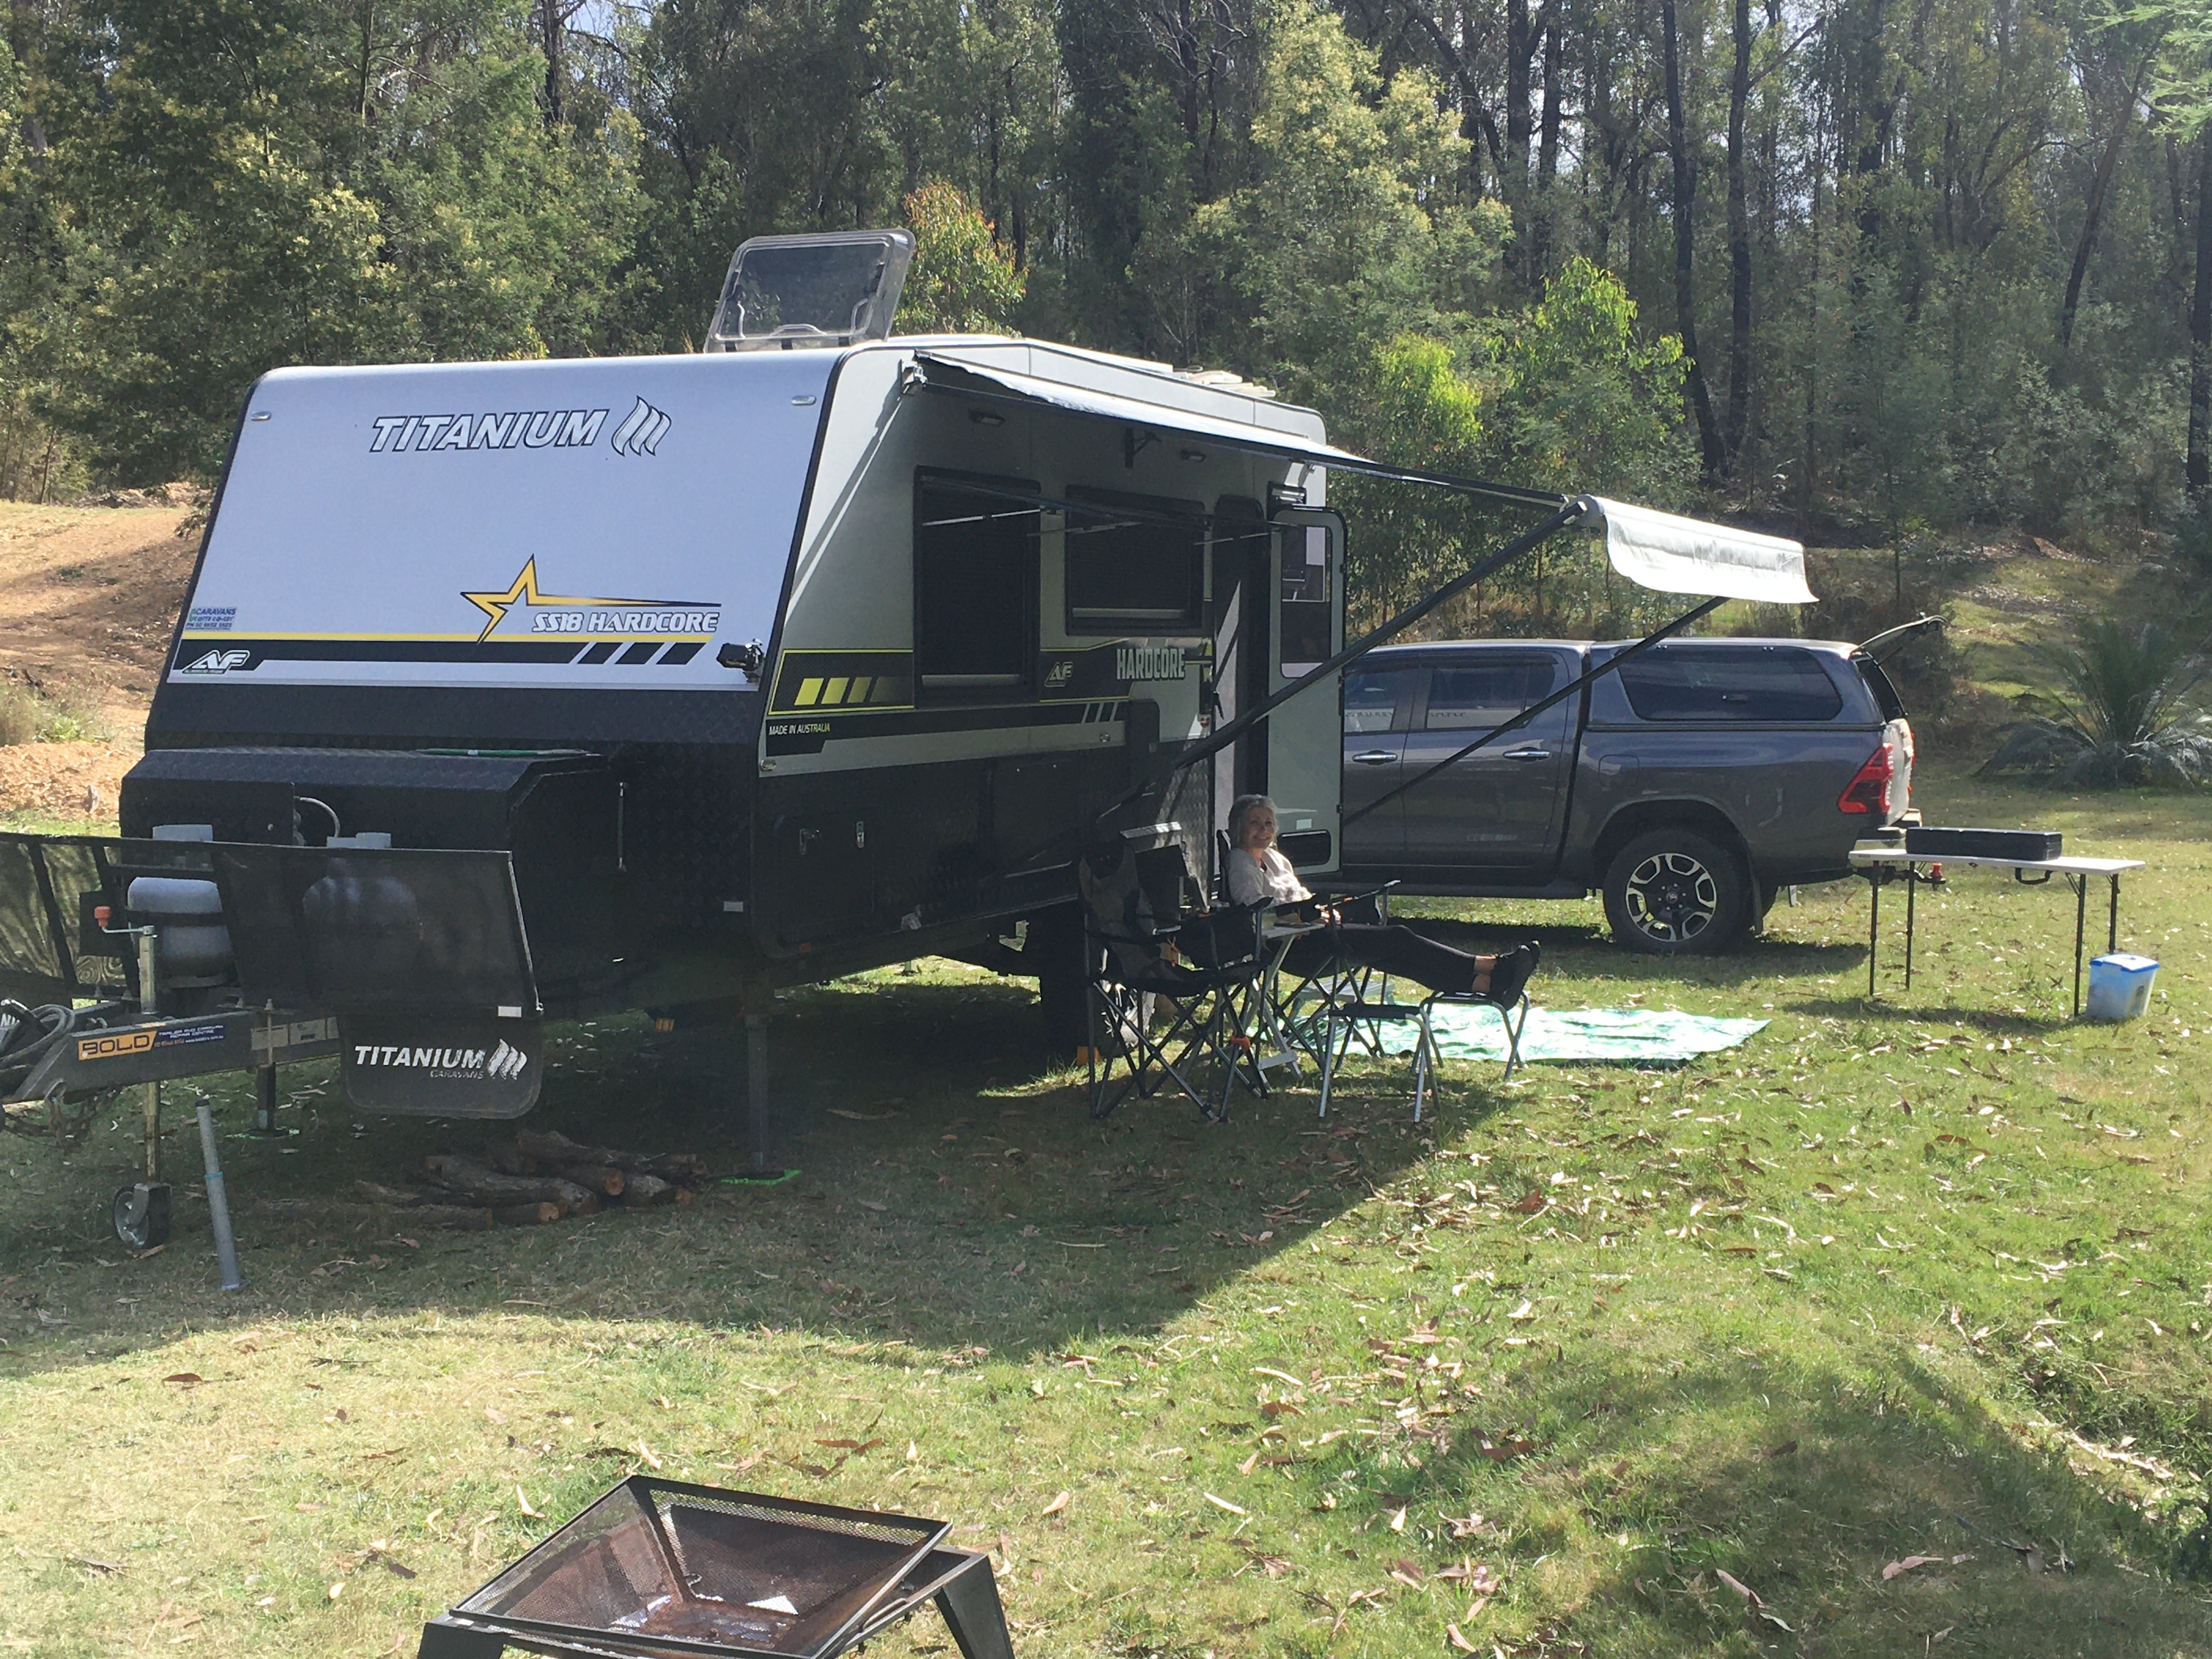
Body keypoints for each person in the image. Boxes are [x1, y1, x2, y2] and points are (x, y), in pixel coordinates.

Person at [1224, 793, 1540, 1003]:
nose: (1263, 830)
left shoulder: (1277, 859)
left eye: (1268, 823)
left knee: (1392, 954)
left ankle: (1486, 985)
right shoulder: (1239, 863)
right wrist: (1305, 919)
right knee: (1398, 937)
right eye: (1255, 823)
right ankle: (1491, 967)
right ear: (1239, 827)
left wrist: (1320, 913)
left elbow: (1302, 899)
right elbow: (1257, 916)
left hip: (1320, 933)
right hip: (1293, 949)